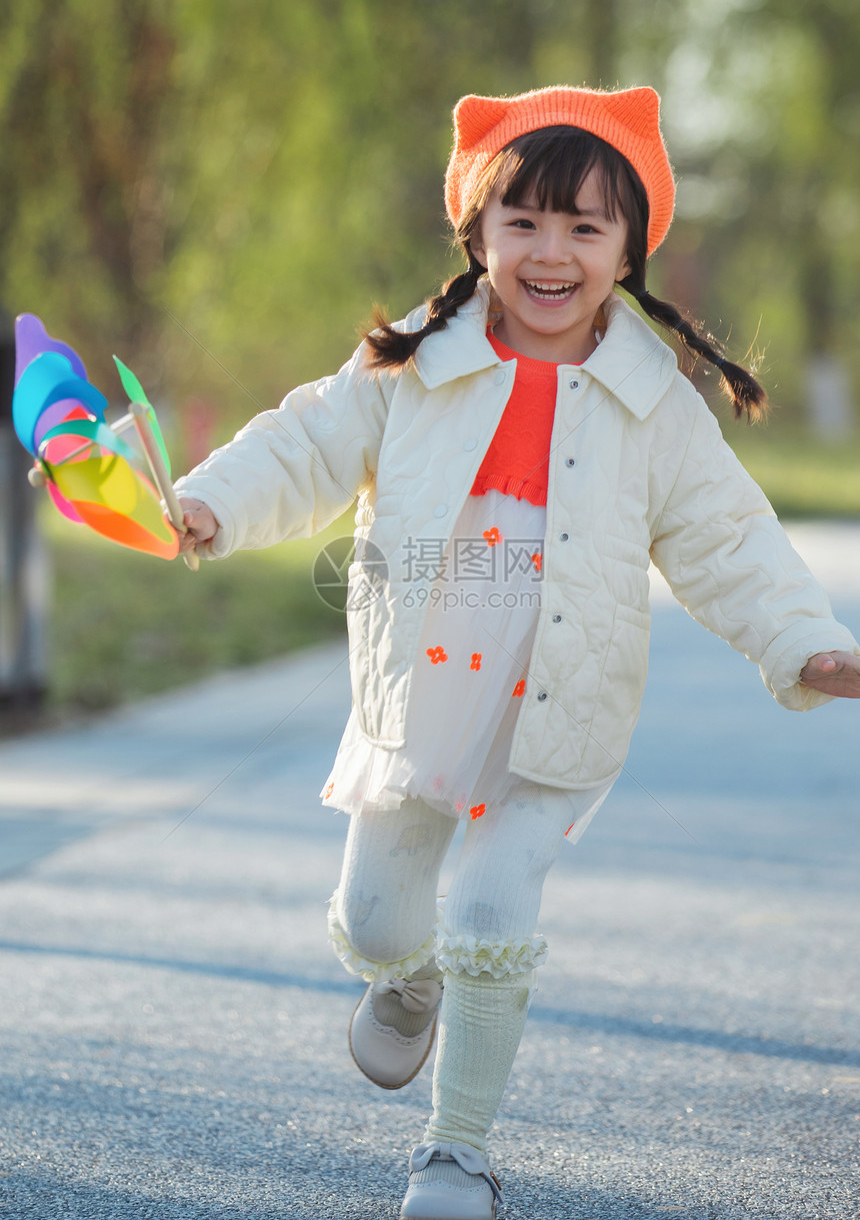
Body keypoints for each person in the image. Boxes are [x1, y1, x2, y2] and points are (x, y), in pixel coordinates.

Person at [170, 85, 860, 1220]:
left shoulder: (655, 406)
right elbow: (301, 443)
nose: (551, 253)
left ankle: (456, 1153)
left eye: (584, 228)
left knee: (491, 909)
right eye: (523, 222)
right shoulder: (410, 363)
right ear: (476, 233)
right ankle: (404, 981)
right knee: (375, 919)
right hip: (421, 704)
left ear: (628, 247)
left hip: (560, 711)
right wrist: (206, 506)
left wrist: (807, 644)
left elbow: (728, 540)